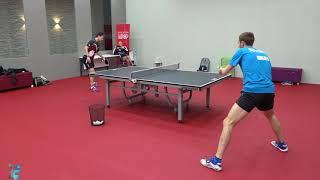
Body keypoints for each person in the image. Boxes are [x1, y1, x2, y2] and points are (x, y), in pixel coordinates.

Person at [200, 32, 288, 172]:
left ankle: (216, 161)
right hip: (269, 90)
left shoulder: (241, 51)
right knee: (270, 115)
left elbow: (225, 71)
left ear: (241, 42)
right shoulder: (263, 54)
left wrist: (220, 69)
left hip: (253, 90)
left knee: (228, 122)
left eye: (238, 42)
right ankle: (282, 144)